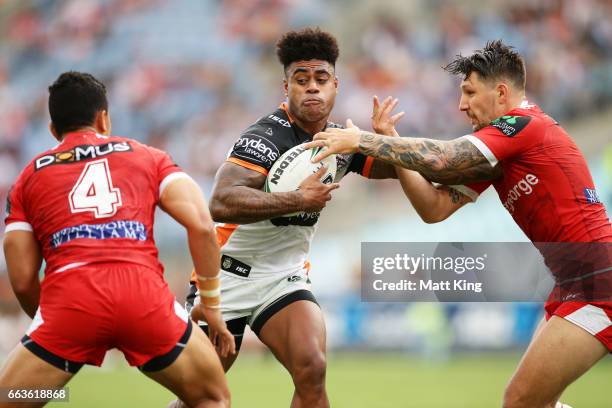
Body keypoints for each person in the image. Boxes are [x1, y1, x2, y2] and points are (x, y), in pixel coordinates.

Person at [305, 40, 612, 408]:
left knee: (520, 401)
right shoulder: (500, 152)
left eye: (469, 92)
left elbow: (444, 158)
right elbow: (433, 208)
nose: (462, 104)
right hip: (573, 281)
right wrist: (392, 142)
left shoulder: (523, 127)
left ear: (501, 92)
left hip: (597, 277)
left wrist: (361, 141)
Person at [183, 28, 396, 408]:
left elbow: (398, 170)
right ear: (286, 88)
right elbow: (220, 201)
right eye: (301, 80)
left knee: (312, 368)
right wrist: (298, 198)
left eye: (321, 79)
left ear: (336, 84)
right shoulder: (265, 137)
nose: (312, 88)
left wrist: (386, 141)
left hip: (282, 276)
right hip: (227, 276)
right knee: (203, 396)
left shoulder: (340, 141)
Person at [0, 71, 235, 408]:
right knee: (211, 398)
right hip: (143, 297)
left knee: (12, 398)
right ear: (104, 119)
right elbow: (201, 225)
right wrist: (211, 306)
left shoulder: (27, 178)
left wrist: (63, 326)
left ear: (53, 130)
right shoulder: (148, 156)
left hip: (71, 300)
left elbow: (22, 280)